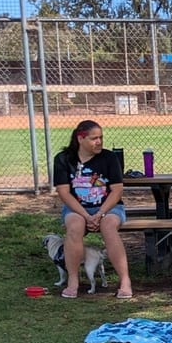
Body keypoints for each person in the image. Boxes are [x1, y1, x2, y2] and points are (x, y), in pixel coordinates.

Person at [52, 118, 133, 299]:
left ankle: (125, 281)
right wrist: (86, 215)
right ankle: (73, 280)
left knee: (109, 226)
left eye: (101, 138)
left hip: (108, 207)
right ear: (80, 139)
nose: (99, 142)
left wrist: (100, 213)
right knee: (74, 226)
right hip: (77, 209)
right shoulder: (63, 159)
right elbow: (64, 193)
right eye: (94, 138)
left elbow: (117, 190)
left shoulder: (109, 158)